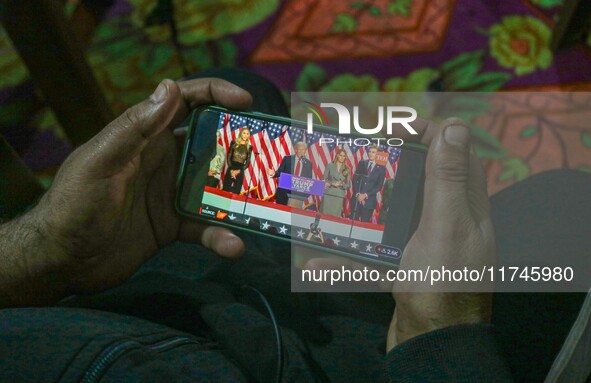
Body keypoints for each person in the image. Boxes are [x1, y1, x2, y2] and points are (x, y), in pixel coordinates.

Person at [2, 68, 589, 382]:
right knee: (569, 208)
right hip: (302, 350)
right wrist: (438, 335)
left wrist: (42, 251)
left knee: (237, 97)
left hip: (118, 289)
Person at [267, 141, 313, 206]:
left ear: (305, 150)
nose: (300, 151)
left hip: (298, 195)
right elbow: (280, 171)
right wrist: (273, 173)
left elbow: (309, 180)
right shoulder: (287, 159)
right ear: (295, 149)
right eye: (298, 149)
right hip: (283, 193)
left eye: (302, 149)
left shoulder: (308, 163)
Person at [350, 145, 386, 222]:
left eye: (373, 152)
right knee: (351, 221)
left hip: (369, 202)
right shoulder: (362, 163)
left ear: (378, 154)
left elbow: (379, 186)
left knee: (364, 225)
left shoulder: (382, 168)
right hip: (356, 199)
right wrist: (358, 194)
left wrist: (365, 195)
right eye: (369, 151)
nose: (370, 154)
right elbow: (355, 179)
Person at [320, 148, 351, 217]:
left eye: (344, 156)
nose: (342, 157)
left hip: (339, 195)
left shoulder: (347, 168)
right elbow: (323, 179)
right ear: (337, 155)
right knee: (324, 215)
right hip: (329, 193)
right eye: (340, 155)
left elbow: (348, 185)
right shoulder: (330, 165)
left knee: (334, 217)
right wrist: (332, 183)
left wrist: (342, 185)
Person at [222, 127, 252, 194]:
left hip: (240, 171)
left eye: (247, 134)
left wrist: (238, 171)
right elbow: (229, 157)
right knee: (225, 190)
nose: (245, 135)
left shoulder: (249, 148)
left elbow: (247, 163)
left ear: (249, 136)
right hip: (230, 169)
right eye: (244, 133)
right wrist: (231, 170)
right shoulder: (234, 143)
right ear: (241, 134)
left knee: (236, 192)